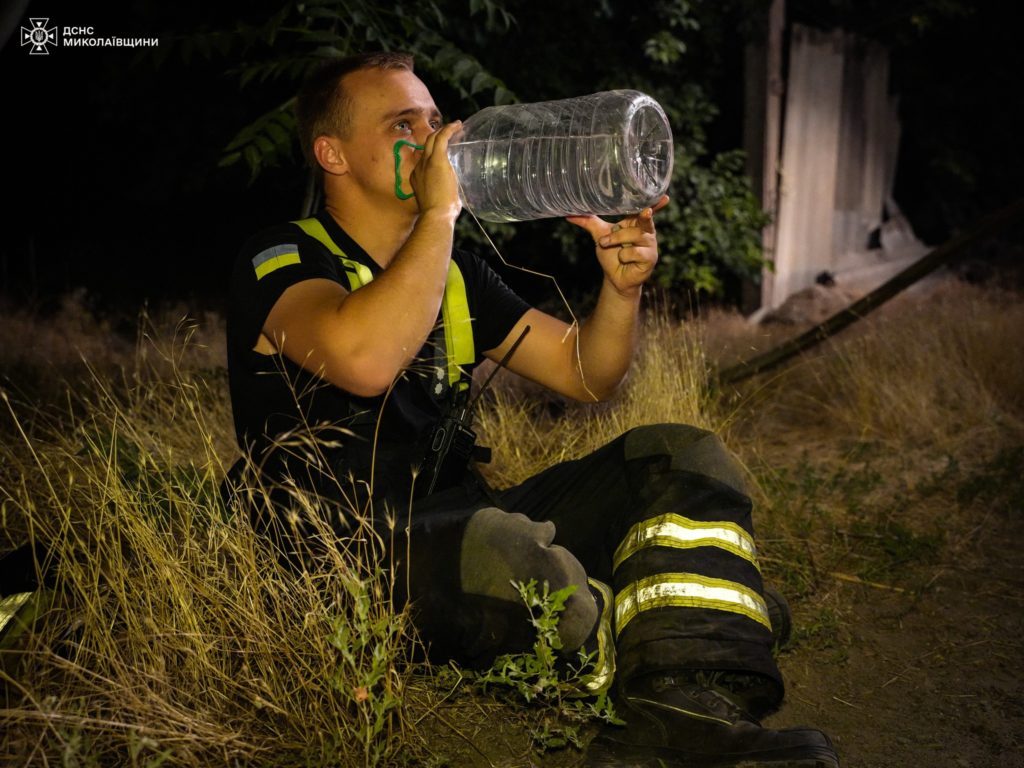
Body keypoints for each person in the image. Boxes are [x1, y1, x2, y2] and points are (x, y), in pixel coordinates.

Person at [224, 51, 839, 767]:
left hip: (465, 522)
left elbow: (585, 374)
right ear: (331, 152)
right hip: (341, 558)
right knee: (509, 550)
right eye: (402, 124)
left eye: (432, 118)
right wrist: (440, 213)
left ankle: (680, 711)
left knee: (677, 454)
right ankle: (691, 622)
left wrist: (622, 287)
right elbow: (362, 360)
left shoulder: (452, 270)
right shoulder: (283, 258)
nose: (433, 139)